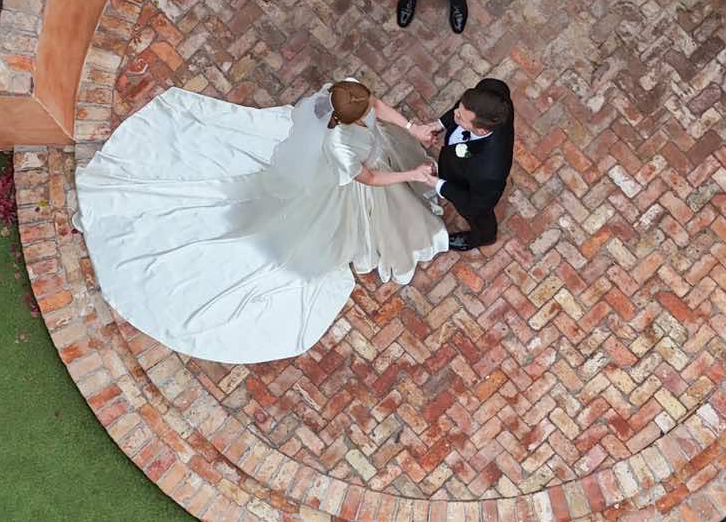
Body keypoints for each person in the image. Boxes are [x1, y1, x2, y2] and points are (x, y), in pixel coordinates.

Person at [76, 79, 447, 365]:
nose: (370, 108)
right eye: (363, 110)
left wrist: (411, 128)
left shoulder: (346, 92)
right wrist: (411, 176)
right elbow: (371, 179)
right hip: (350, 186)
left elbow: (375, 105)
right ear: (347, 121)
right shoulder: (340, 148)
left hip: (373, 156)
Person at [412, 79, 515, 253]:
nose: (455, 114)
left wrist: (438, 184)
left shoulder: (490, 171)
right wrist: (440, 124)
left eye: (460, 117)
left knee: (478, 216)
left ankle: (485, 237)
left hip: (467, 187)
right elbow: (463, 107)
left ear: (482, 130)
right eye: (458, 110)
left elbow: (476, 205)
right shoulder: (492, 89)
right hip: (457, 164)